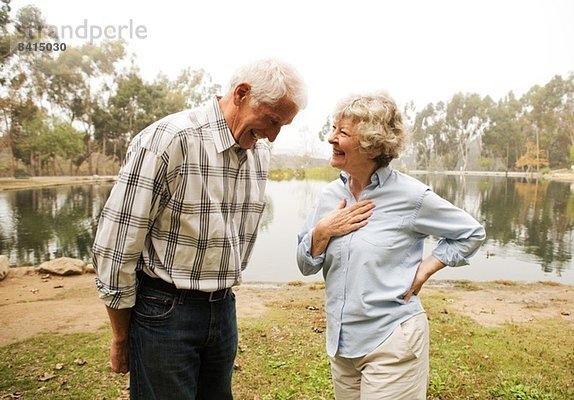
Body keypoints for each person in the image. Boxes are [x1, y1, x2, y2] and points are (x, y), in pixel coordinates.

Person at [93, 58, 307, 399]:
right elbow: (117, 245)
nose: (273, 135)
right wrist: (121, 335)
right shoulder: (171, 140)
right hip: (164, 312)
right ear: (241, 94)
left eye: (283, 125)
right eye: (271, 120)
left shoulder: (258, 153)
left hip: (223, 309)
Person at [297, 92, 485, 399]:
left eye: (342, 133)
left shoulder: (411, 196)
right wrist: (322, 231)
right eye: (333, 129)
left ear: (372, 146)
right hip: (341, 346)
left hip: (392, 341)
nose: (331, 138)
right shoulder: (329, 196)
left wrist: (426, 268)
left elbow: (470, 233)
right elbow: (306, 264)